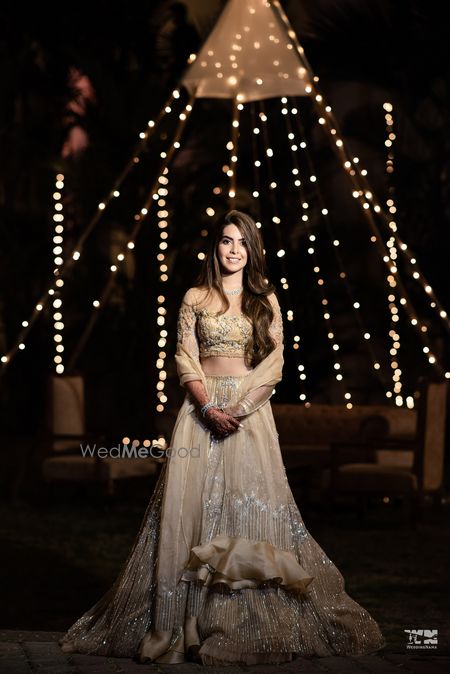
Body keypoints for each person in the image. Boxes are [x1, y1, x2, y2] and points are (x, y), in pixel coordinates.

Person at [59, 210, 386, 665]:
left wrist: (240, 408)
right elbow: (184, 357)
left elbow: (275, 364)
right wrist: (209, 406)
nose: (233, 249)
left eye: (242, 242)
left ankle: (236, 619)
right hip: (199, 411)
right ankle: (181, 624)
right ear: (215, 247)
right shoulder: (194, 296)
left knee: (243, 510)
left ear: (252, 250)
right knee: (188, 512)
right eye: (226, 241)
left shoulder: (264, 298)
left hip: (249, 414)